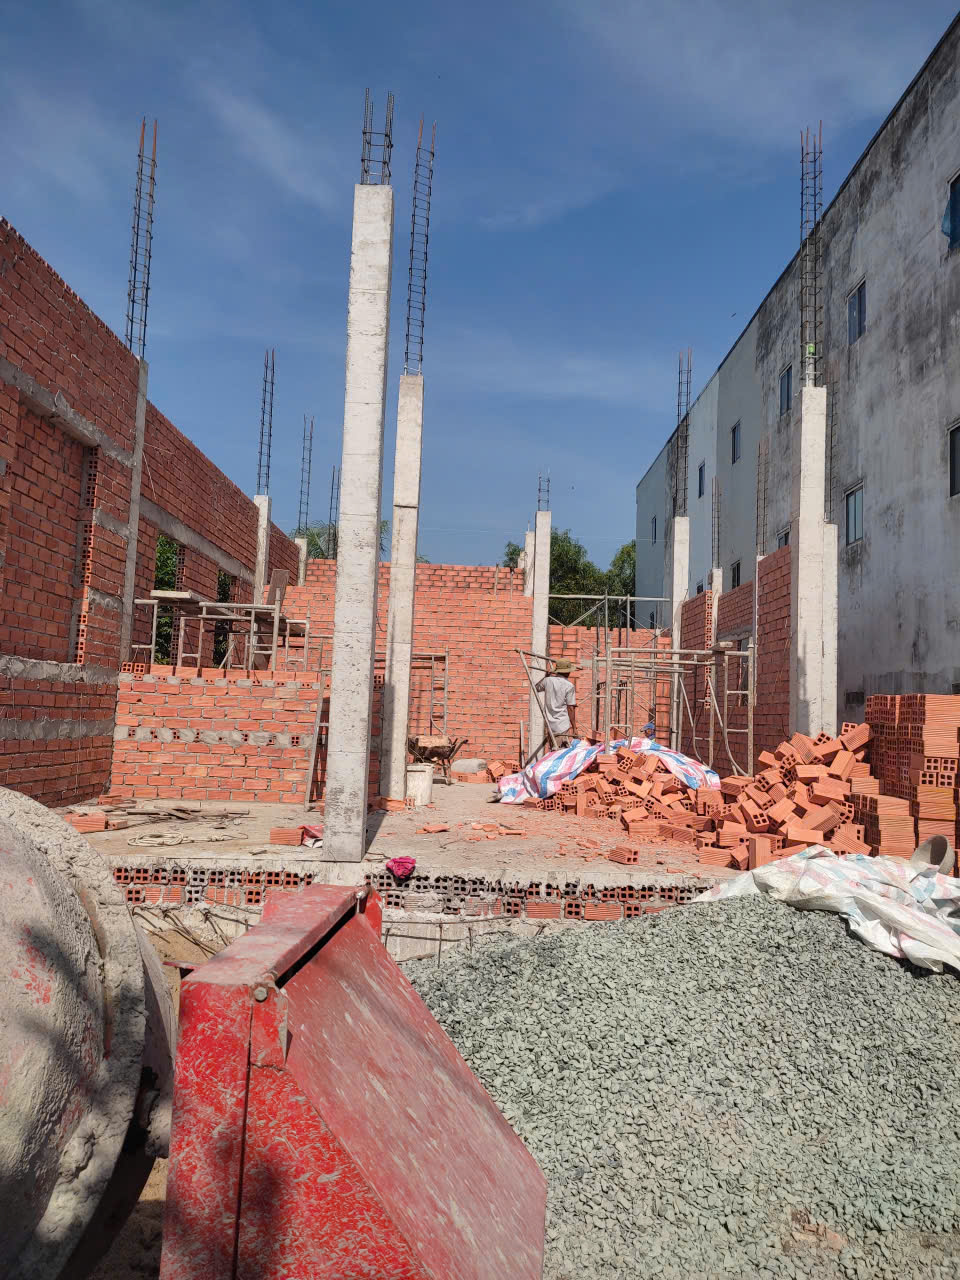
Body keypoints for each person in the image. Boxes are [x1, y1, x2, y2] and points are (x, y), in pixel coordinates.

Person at [536, 658, 578, 746]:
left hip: (550, 724)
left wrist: (546, 676)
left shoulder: (547, 680)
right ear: (567, 672)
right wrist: (574, 727)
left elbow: (536, 687)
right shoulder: (569, 686)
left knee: (554, 749)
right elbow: (570, 708)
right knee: (560, 751)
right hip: (562, 725)